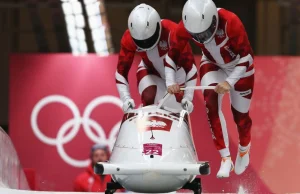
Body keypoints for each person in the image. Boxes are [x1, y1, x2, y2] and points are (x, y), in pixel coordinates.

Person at [166, 0, 254, 178]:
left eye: (205, 32)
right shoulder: (183, 28)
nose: (202, 38)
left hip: (240, 66)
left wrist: (229, 82)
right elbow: (171, 56)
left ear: (214, 20)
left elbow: (246, 57)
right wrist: (170, 82)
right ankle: (225, 157)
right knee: (210, 103)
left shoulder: (231, 22)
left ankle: (244, 149)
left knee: (240, 117)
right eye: (196, 35)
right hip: (212, 63)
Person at [115, 3, 197, 113]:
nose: (146, 44)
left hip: (178, 79)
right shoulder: (128, 39)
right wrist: (125, 99)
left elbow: (191, 68)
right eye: (141, 42)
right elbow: (121, 72)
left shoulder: (173, 32)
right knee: (149, 96)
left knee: (175, 113)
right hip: (150, 71)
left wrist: (188, 97)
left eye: (149, 39)